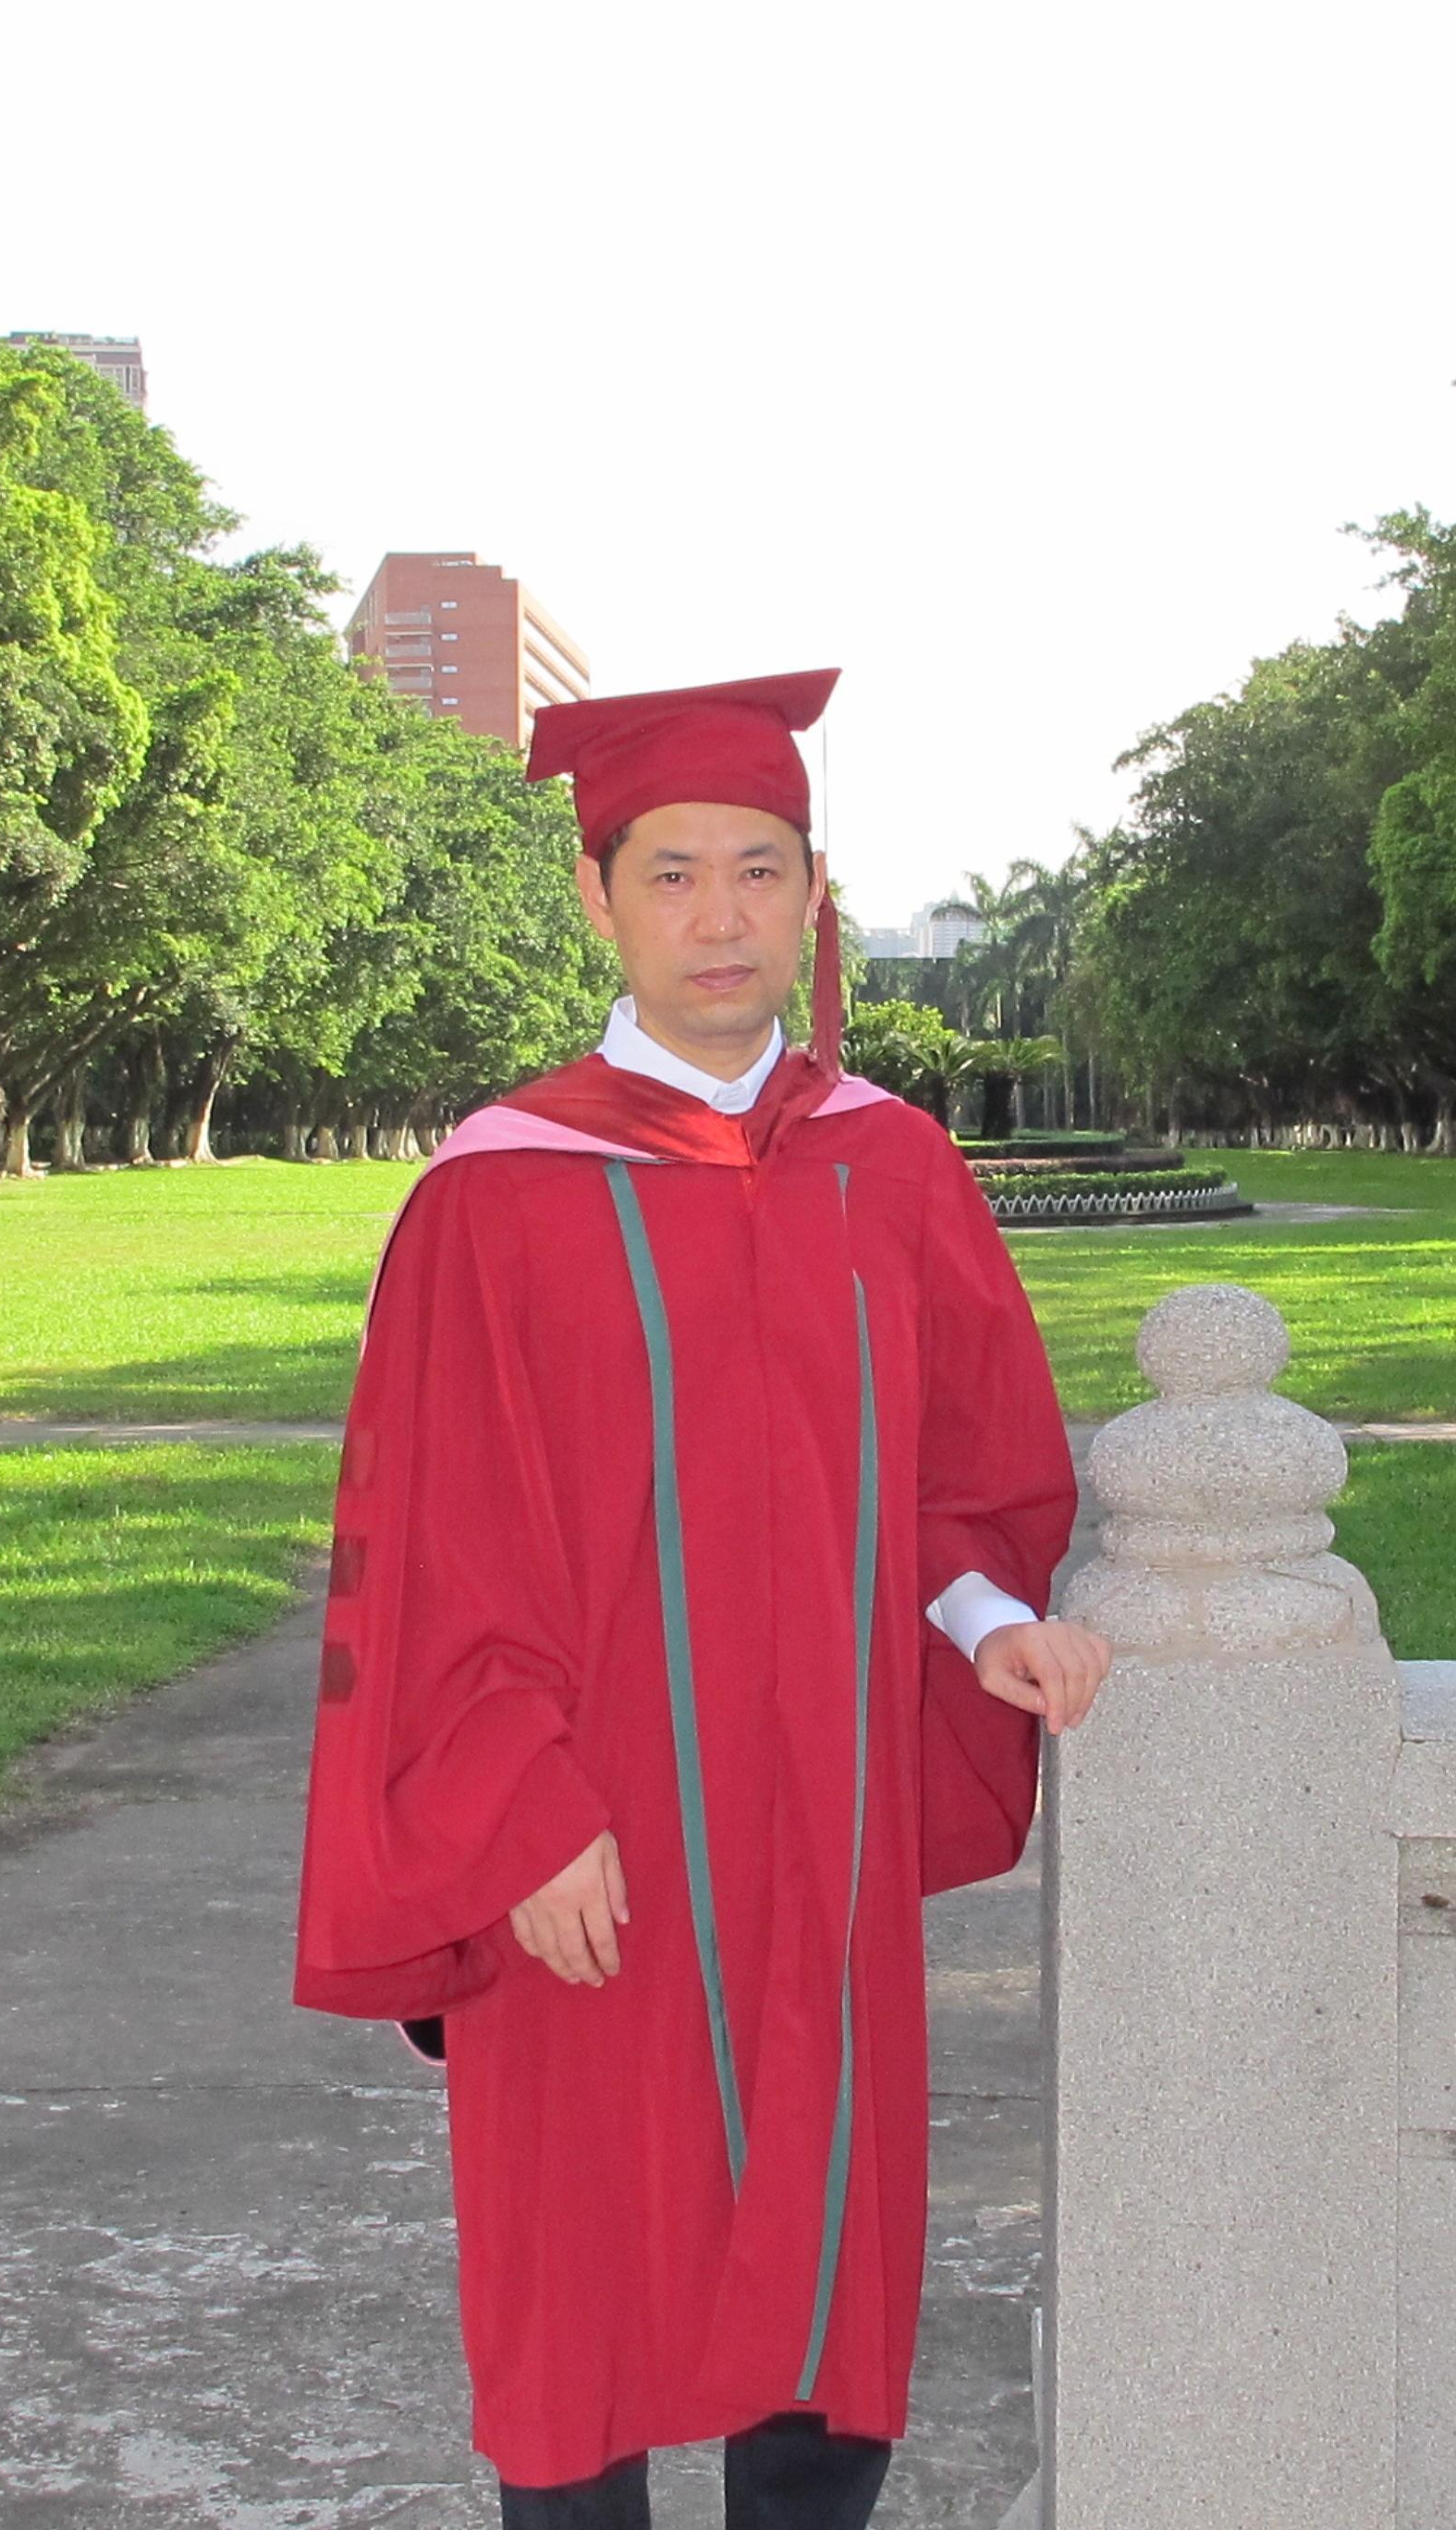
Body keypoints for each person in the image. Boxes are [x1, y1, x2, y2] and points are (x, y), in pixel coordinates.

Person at [293, 667, 1109, 2529]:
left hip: (820, 1833)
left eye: (758, 869)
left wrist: (993, 1624)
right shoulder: (498, 1191)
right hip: (587, 1837)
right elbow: (438, 1544)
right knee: (580, 2291)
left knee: (822, 2278)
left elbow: (958, 1476)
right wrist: (512, 1814)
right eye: (672, 873)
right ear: (599, 899)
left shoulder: (890, 1167)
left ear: (813, 894)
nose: (719, 916)